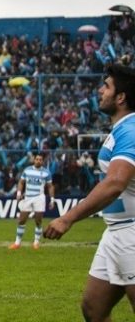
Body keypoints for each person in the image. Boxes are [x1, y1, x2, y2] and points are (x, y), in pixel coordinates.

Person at [44, 64, 135, 321]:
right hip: (116, 231)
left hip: (132, 231)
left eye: (106, 86)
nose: (100, 91)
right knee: (93, 309)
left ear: (121, 97)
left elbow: (115, 183)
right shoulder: (121, 129)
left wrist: (67, 217)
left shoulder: (131, 130)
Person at [8, 153, 54, 250]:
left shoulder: (46, 172)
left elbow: (50, 186)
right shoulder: (27, 170)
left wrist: (52, 199)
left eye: (40, 159)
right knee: (21, 220)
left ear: (43, 161)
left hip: (39, 198)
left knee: (38, 220)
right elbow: (21, 182)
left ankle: (36, 242)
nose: (38, 161)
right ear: (34, 160)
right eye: (37, 159)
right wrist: (19, 193)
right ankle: (17, 243)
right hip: (28, 197)